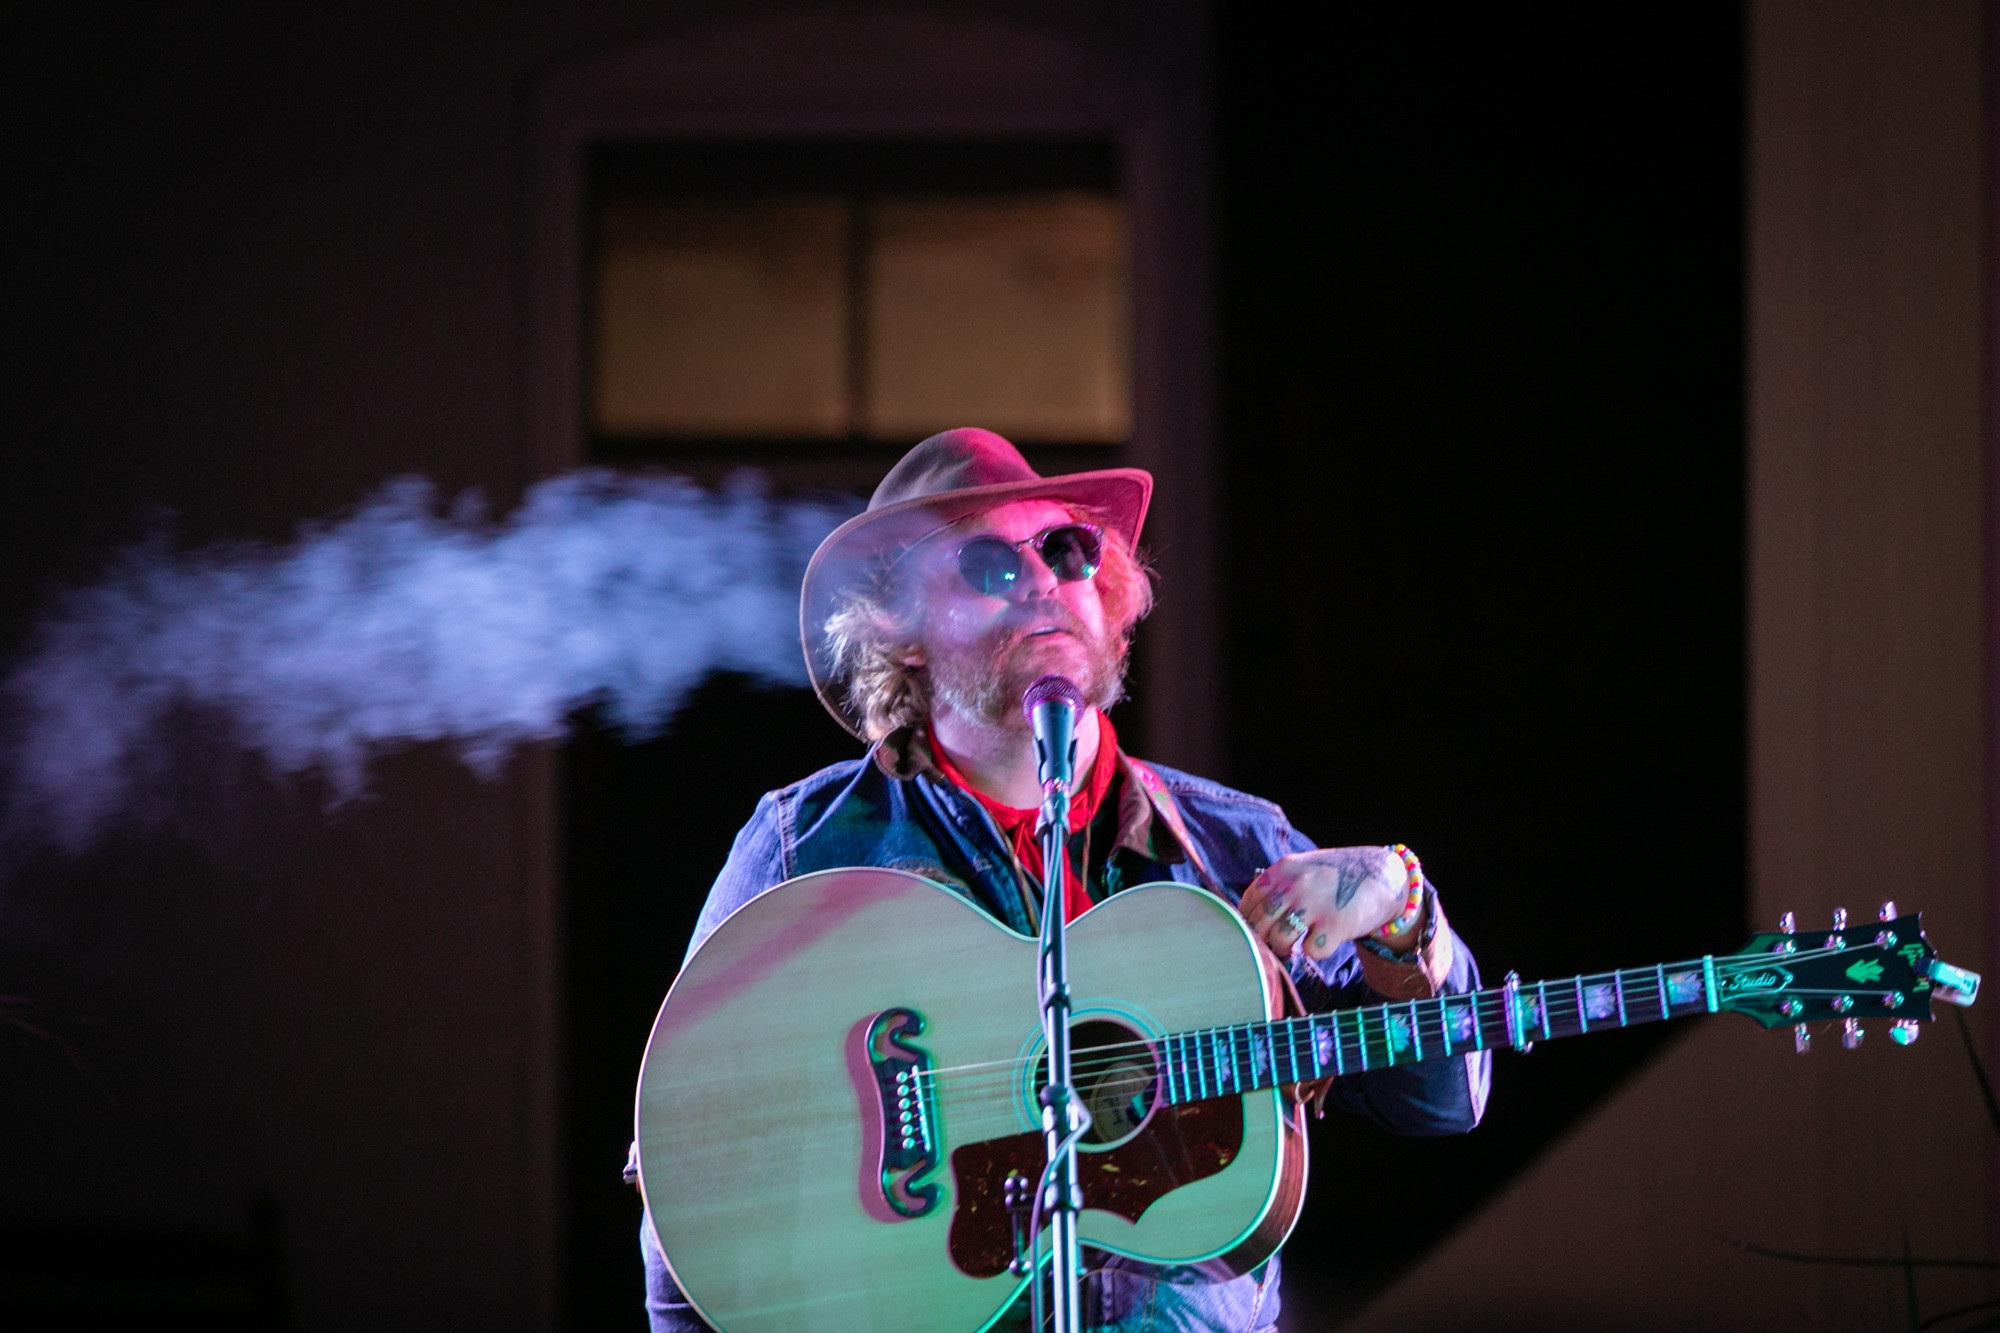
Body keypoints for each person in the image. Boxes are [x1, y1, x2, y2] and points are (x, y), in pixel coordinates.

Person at [639, 428, 1490, 1332]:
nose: (1044, 579)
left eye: (1068, 548)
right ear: (902, 628)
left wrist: (1403, 914)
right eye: (988, 564)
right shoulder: (805, 848)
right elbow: (690, 1185)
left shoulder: (1233, 844)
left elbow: (1440, 1098)